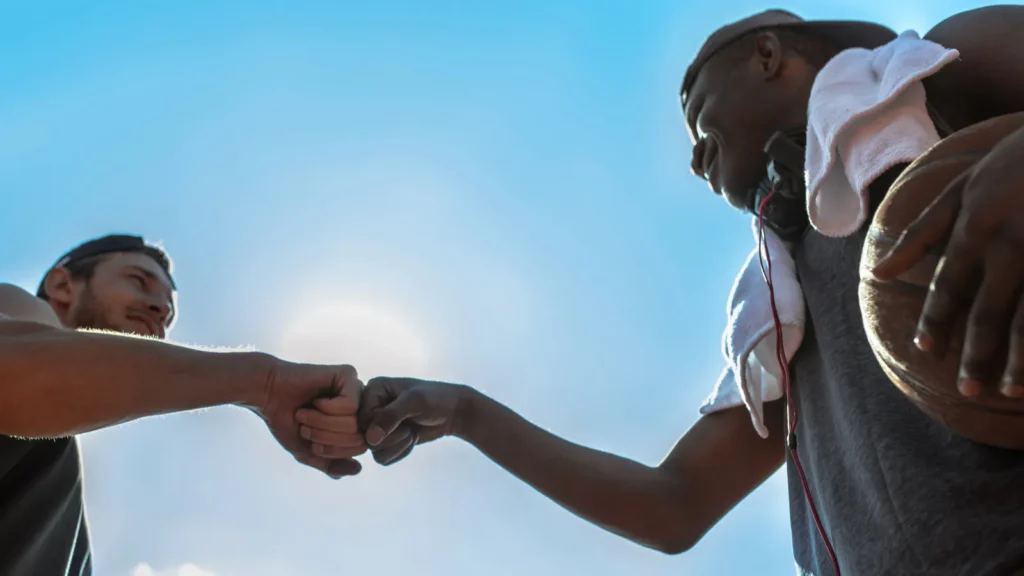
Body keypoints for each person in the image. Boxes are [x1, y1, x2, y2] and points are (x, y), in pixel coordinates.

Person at [300, 6, 1024, 575]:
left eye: (700, 113)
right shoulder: (780, 302)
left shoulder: (928, 75)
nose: (695, 157)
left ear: (768, 56)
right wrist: (464, 412)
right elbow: (673, 505)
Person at [0, 234, 366, 575]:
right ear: (62, 285)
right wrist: (263, 383)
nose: (161, 309)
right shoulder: (16, 304)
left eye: (169, 312)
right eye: (138, 281)